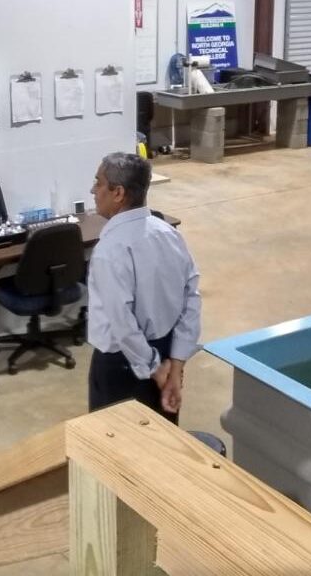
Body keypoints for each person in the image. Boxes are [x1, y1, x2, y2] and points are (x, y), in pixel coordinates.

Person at [86, 152, 202, 424]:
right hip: (165, 352)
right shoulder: (168, 234)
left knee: (118, 452)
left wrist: (155, 369)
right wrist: (176, 365)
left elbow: (122, 324)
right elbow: (192, 299)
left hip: (122, 367)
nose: (93, 190)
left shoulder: (110, 250)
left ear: (118, 193)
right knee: (161, 444)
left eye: (99, 183)